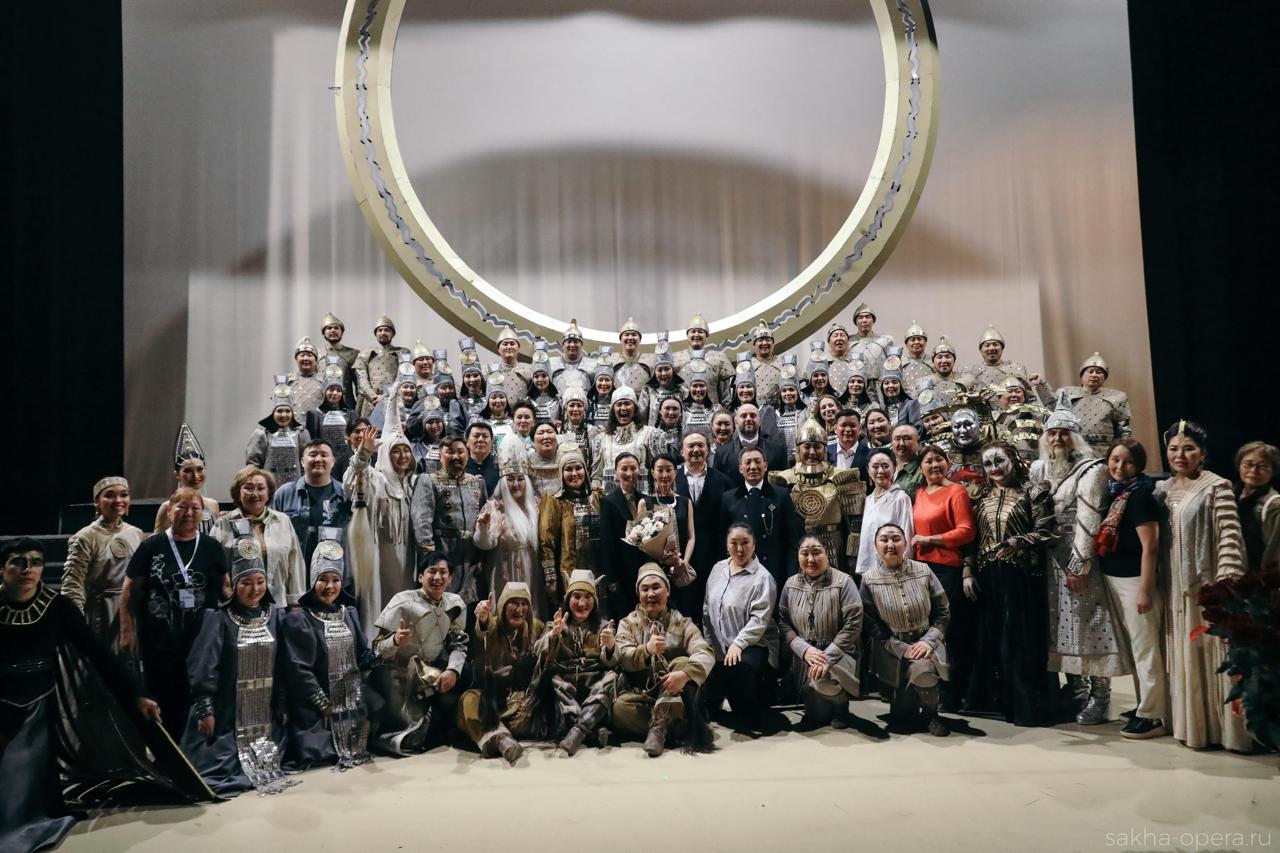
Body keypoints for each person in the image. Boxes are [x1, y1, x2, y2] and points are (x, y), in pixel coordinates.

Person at [0, 538, 213, 853]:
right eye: (18, 562)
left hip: (38, 708)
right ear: (2, 569)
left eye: (36, 562)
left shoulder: (57, 607)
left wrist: (136, 694)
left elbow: (98, 653)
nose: (28, 569)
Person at [1029, 400, 1127, 725]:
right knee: (1060, 627)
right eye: (1052, 433)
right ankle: (1076, 690)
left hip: (1076, 558)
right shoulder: (1040, 468)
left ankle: (1101, 695)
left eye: (1064, 433)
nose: (1057, 438)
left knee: (1089, 626)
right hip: (1049, 559)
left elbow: (1088, 518)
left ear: (1075, 437)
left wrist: (1079, 565)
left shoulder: (1091, 469)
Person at [1156, 420, 1250, 751]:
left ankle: (1226, 733)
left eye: (1189, 449)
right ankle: (1191, 727)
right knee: (1183, 654)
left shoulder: (1216, 486)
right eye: (1173, 449)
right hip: (1173, 587)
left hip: (1205, 586)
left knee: (1211, 652)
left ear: (1203, 453)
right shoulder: (1162, 489)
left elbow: (1229, 535)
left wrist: (1226, 583)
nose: (1180, 455)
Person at [180, 533, 298, 796]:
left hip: (264, 719)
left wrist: (282, 703)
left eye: (260, 582)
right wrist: (205, 710)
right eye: (246, 583)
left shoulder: (274, 617)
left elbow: (281, 666)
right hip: (226, 717)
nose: (255, 590)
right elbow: (203, 668)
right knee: (216, 769)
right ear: (233, 584)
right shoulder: (217, 618)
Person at [120, 487, 230, 737]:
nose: (188, 513)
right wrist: (127, 630)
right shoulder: (152, 546)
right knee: (163, 697)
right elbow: (130, 590)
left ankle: (195, 750)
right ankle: (165, 750)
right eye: (182, 506)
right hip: (159, 639)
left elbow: (225, 588)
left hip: (201, 639)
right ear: (169, 511)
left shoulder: (212, 547)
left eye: (195, 508)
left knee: (197, 696)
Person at [964, 442, 1058, 726]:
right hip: (987, 577)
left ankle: (1025, 707)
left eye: (1000, 461)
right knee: (990, 639)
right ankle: (996, 703)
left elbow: (1047, 532)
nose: (994, 468)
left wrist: (1019, 542)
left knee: (1019, 640)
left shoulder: (1033, 492)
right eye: (988, 464)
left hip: (1021, 578)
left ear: (1014, 460)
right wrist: (967, 571)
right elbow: (972, 539)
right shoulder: (980, 495)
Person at [281, 529, 379, 770]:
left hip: (351, 703)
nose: (329, 586)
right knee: (318, 752)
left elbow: (363, 657)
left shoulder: (349, 614)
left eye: (335, 580)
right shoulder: (300, 620)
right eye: (323, 579)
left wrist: (392, 645)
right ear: (313, 581)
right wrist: (324, 705)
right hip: (315, 709)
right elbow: (299, 671)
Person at [1096, 439, 1168, 739]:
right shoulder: (1117, 493)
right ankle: (1143, 705)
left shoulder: (1140, 496)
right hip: (1116, 579)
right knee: (1135, 649)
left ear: (1138, 465)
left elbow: (1150, 547)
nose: (1120, 467)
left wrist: (1145, 590)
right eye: (1115, 460)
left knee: (1145, 649)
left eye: (1127, 462)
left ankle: (1153, 716)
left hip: (1135, 581)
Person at [612, 566, 716, 756]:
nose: (651, 593)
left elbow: (705, 652)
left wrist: (684, 675)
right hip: (647, 694)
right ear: (638, 594)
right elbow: (623, 656)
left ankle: (659, 728)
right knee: (619, 708)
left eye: (656, 587)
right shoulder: (627, 623)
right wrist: (647, 650)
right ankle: (674, 726)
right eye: (645, 589)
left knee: (682, 662)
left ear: (667, 591)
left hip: (677, 692)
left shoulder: (682, 622)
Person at [371, 552, 468, 755]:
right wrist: (395, 641)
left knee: (467, 675)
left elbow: (459, 644)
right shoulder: (403, 601)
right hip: (401, 679)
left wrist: (453, 670)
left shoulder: (454, 604)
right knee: (412, 739)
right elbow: (377, 649)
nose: (437, 577)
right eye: (432, 571)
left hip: (434, 676)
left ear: (450, 578)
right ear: (420, 576)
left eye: (443, 572)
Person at [860, 523, 951, 736]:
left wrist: (928, 641)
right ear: (875, 546)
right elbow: (870, 623)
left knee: (924, 673)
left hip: (925, 643)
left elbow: (943, 611)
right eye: (884, 540)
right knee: (903, 719)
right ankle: (905, 701)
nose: (890, 544)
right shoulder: (868, 579)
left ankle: (931, 714)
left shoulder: (924, 570)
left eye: (896, 539)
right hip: (892, 648)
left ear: (905, 543)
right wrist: (900, 647)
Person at [910, 444, 976, 709]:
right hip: (922, 570)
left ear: (948, 463)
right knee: (928, 631)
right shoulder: (919, 493)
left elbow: (967, 531)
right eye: (928, 461)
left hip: (947, 569)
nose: (934, 465)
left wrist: (930, 539)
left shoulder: (956, 491)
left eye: (939, 459)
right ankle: (932, 688)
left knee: (950, 632)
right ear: (920, 467)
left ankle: (953, 692)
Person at [777, 535, 864, 729]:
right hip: (806, 656)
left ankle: (841, 704)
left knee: (824, 681)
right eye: (805, 553)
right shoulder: (790, 584)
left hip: (840, 653)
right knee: (816, 716)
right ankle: (820, 698)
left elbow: (853, 624)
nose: (811, 559)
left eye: (817, 552)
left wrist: (827, 657)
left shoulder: (844, 582)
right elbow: (783, 623)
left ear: (827, 553)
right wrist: (805, 650)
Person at [347, 395, 418, 624]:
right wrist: (363, 454)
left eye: (406, 450)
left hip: (409, 559)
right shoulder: (376, 478)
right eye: (395, 451)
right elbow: (352, 481)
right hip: (380, 556)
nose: (402, 456)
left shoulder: (414, 483)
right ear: (386, 453)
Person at [702, 524, 780, 733]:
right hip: (720, 647)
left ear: (754, 544)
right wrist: (708, 646)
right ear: (726, 544)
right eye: (734, 543)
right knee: (705, 704)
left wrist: (738, 643)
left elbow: (759, 620)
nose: (739, 549)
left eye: (745, 542)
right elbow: (707, 609)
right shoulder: (718, 569)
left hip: (753, 645)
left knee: (741, 677)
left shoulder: (762, 578)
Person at [457, 583, 545, 763]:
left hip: (523, 700)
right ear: (503, 604)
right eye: (514, 603)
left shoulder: (536, 627)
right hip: (493, 700)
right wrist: (483, 618)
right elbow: (484, 628)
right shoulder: (493, 624)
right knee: (469, 700)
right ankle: (501, 739)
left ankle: (495, 733)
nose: (519, 609)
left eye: (524, 604)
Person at [535, 570, 620, 754]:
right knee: (551, 679)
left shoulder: (604, 627)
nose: (582, 603)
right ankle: (591, 730)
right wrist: (554, 635)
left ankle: (580, 729)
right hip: (567, 690)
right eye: (577, 596)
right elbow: (538, 650)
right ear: (568, 600)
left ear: (595, 601)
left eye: (588, 597)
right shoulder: (555, 624)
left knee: (614, 677)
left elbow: (613, 660)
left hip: (594, 690)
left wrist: (610, 646)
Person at [61, 476, 147, 652]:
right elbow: (73, 584)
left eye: (124, 495)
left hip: (130, 611)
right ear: (97, 501)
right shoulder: (85, 537)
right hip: (99, 612)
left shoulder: (136, 533)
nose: (118, 500)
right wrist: (74, 621)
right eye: (109, 495)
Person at [771, 418, 863, 577]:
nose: (812, 452)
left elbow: (856, 526)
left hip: (833, 547)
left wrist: (852, 557)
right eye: (807, 446)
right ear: (798, 449)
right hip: (796, 547)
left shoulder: (843, 477)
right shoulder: (781, 480)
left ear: (825, 449)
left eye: (817, 446)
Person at [212, 465, 306, 608]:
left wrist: (295, 601)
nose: (255, 493)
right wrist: (227, 597)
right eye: (248, 488)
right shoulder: (222, 524)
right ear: (238, 493)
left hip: (277, 606)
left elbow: (295, 563)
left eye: (261, 488)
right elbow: (214, 569)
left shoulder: (283, 521)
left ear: (268, 494)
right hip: (236, 607)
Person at [411, 433, 487, 606]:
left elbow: (484, 522)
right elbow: (421, 522)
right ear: (440, 455)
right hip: (443, 551)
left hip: (471, 556)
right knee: (439, 605)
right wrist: (431, 558)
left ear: (467, 454)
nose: (455, 457)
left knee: (467, 606)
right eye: (450, 452)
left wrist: (482, 556)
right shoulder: (429, 480)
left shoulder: (477, 483)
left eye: (460, 452)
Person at [475, 441, 547, 618]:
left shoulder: (537, 507)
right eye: (510, 479)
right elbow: (486, 544)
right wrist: (484, 527)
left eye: (520, 479)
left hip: (532, 569)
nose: (516, 484)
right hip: (504, 570)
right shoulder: (495, 507)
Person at [723, 446, 801, 591]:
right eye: (748, 462)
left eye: (757, 462)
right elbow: (723, 541)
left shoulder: (781, 496)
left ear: (765, 466)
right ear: (740, 468)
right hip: (740, 573)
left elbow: (791, 541)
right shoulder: (729, 498)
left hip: (775, 573)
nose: (753, 467)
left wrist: (791, 577)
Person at [676, 430, 732, 624]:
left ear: (708, 450)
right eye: (691, 446)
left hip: (714, 556)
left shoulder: (724, 481)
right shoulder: (671, 480)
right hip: (680, 557)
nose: (696, 450)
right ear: (682, 451)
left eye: (701, 445)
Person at [538, 440, 604, 598]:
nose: (574, 473)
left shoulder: (598, 498)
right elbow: (546, 542)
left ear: (585, 470)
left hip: (598, 569)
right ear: (561, 473)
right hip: (569, 573)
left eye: (578, 468)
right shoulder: (555, 501)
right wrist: (550, 577)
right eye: (568, 469)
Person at [271, 439, 351, 565]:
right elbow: (272, 534)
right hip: (295, 568)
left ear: (333, 461)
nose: (318, 459)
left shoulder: (346, 494)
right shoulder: (284, 494)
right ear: (302, 461)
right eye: (313, 455)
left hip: (334, 570)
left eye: (324, 455)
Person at [597, 452, 654, 617]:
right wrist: (611, 579)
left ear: (639, 471)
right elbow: (607, 542)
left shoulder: (647, 499)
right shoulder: (608, 502)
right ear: (616, 472)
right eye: (624, 469)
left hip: (645, 570)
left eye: (633, 468)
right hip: (621, 572)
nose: (629, 473)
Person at [1058, 352, 1133, 457]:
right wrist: (1040, 385)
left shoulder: (1117, 397)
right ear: (1082, 374)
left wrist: (1120, 453)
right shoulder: (1066, 393)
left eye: (1099, 372)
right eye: (1090, 371)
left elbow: (1124, 432)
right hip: (1072, 450)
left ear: (1104, 376)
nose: (1094, 375)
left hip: (1104, 452)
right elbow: (1050, 409)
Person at [154, 423, 221, 534]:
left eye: (200, 469)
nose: (196, 476)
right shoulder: (167, 507)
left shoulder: (212, 505)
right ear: (176, 474)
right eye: (188, 471)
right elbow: (157, 541)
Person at [856, 448, 915, 574]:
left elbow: (907, 536)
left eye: (885, 466)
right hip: (869, 569)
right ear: (868, 470)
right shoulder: (868, 500)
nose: (880, 471)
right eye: (875, 467)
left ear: (894, 468)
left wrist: (903, 568)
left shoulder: (901, 498)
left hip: (894, 569)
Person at [244, 378, 310, 488]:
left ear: (292, 414)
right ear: (273, 413)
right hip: (268, 489)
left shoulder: (301, 434)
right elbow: (253, 466)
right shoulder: (262, 435)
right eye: (279, 411)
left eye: (287, 411)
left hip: (295, 488)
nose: (284, 415)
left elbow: (306, 464)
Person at [591, 386, 658, 492]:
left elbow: (658, 473)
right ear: (613, 410)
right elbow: (596, 478)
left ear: (635, 408)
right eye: (619, 404)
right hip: (610, 497)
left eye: (627, 403)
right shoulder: (601, 439)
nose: (623, 408)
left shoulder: (650, 434)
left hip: (642, 497)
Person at [650, 452, 698, 604]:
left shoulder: (685, 502)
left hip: (681, 568)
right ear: (653, 473)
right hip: (656, 571)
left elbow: (691, 537)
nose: (665, 475)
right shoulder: (645, 502)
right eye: (660, 470)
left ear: (675, 472)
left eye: (669, 470)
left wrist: (683, 563)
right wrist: (662, 560)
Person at [711, 403, 787, 487]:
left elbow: (783, 486)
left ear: (760, 421)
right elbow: (717, 486)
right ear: (736, 422)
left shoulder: (778, 450)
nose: (748, 419)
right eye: (743, 416)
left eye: (753, 415)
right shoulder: (721, 453)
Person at [306, 356, 357, 480]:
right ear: (324, 391)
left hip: (346, 462)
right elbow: (312, 443)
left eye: (338, 390)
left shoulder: (351, 414)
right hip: (323, 461)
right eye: (331, 389)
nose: (334, 393)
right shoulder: (314, 414)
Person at [353, 314, 410, 417]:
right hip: (371, 403)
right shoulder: (365, 353)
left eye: (387, 330)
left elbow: (403, 377)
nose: (383, 333)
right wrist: (374, 397)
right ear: (376, 334)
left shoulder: (403, 352)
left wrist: (387, 396)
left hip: (395, 400)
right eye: (380, 330)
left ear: (393, 334)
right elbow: (361, 379)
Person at [1235, 441, 1280, 572]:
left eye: (1263, 466)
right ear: (1239, 465)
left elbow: (1274, 554)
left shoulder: (1273, 505)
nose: (1254, 471)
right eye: (1248, 464)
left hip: (1254, 579)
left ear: (1273, 471)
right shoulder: (1229, 494)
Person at [674, 313, 733, 405]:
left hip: (713, 412)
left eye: (700, 331)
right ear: (687, 334)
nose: (696, 334)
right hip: (683, 412)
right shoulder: (676, 358)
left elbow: (725, 397)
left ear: (706, 335)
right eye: (693, 331)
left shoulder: (719, 358)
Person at [319, 311, 361, 408]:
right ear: (324, 333)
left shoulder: (353, 354)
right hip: (321, 404)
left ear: (341, 332)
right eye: (329, 328)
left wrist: (358, 409)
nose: (333, 330)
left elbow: (359, 386)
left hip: (347, 405)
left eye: (336, 328)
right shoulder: (316, 354)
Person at [848, 303, 894, 385]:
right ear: (856, 321)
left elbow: (893, 365)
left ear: (873, 320)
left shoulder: (885, 340)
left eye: (868, 317)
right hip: (858, 385)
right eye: (860, 317)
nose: (864, 320)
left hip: (881, 384)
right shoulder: (849, 342)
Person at [557, 386, 598, 472]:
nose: (575, 409)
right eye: (571, 405)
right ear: (565, 408)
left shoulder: (595, 432)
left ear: (584, 409)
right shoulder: (558, 432)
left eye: (579, 405)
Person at [551, 319, 596, 394]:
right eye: (569, 342)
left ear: (581, 345)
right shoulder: (551, 364)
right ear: (563, 345)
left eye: (576, 342)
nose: (572, 345)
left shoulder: (593, 366)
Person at [286, 336, 326, 415]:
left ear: (316, 360)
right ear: (296, 359)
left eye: (309, 355)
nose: (306, 358)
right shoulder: (287, 381)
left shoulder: (325, 381)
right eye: (302, 355)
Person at [492, 326, 532, 401]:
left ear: (518, 348)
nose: (509, 347)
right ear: (498, 349)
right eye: (505, 344)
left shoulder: (529, 369)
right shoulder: (490, 370)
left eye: (512, 343)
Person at [748, 321, 782, 407]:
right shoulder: (747, 366)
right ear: (754, 345)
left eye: (768, 340)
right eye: (760, 340)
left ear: (773, 344)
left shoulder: (782, 363)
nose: (764, 343)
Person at [527, 344, 562, 425]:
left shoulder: (559, 402)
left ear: (549, 377)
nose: (540, 380)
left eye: (544, 376)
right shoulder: (527, 402)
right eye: (536, 376)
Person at [528, 421, 563, 498]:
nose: (546, 436)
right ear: (533, 441)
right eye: (540, 433)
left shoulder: (565, 458)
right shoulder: (526, 461)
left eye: (550, 432)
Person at [831, 408, 869, 477]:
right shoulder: (826, 453)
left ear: (859, 429)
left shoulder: (869, 454)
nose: (848, 429)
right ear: (835, 429)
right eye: (843, 425)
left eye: (852, 426)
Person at [465, 421, 500, 495]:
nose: (480, 439)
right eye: (476, 436)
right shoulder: (460, 466)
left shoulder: (500, 465)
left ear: (492, 442)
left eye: (485, 436)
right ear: (467, 441)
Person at [890, 423, 925, 500]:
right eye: (897, 439)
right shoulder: (886, 469)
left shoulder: (924, 470)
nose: (901, 444)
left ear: (918, 442)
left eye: (907, 438)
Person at [900, 320, 933, 397]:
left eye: (919, 339)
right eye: (912, 340)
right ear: (906, 343)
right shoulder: (900, 363)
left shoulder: (934, 361)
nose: (916, 342)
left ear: (925, 342)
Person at [587, 364, 616, 431]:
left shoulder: (617, 404)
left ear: (612, 383)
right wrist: (591, 429)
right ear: (595, 382)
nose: (603, 383)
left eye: (607, 380)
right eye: (600, 380)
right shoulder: (588, 404)